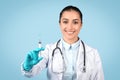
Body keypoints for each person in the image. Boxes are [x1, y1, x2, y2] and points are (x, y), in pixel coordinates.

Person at [21, 5, 104, 80]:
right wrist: (28, 67)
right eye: (65, 22)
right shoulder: (49, 50)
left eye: (75, 22)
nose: (70, 27)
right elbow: (32, 73)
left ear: (81, 25)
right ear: (60, 24)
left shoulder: (93, 53)